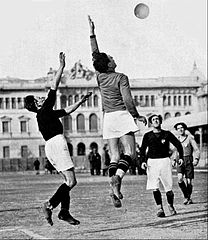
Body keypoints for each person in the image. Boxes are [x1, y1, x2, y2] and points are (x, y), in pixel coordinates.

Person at [24, 52, 92, 226]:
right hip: (57, 143)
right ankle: (50, 205)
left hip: (50, 146)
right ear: (37, 104)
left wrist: (82, 101)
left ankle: (64, 212)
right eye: (39, 98)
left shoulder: (45, 114)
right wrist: (61, 66)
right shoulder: (45, 108)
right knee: (71, 181)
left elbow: (67, 110)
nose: (42, 98)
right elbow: (54, 86)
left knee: (66, 181)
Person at [88, 16, 147, 208]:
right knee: (130, 153)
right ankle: (118, 178)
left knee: (114, 156)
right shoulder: (121, 77)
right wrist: (136, 115)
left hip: (108, 118)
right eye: (112, 58)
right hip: (121, 114)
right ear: (109, 64)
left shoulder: (100, 76)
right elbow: (128, 100)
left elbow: (95, 54)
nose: (114, 58)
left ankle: (113, 186)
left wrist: (92, 33)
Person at [140, 114, 184, 217]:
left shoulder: (167, 134)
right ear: (151, 123)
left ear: (161, 121)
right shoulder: (147, 135)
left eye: (157, 119)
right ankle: (159, 208)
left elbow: (178, 144)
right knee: (155, 187)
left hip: (165, 161)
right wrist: (142, 161)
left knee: (168, 187)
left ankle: (170, 205)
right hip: (152, 162)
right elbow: (143, 150)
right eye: (153, 119)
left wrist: (180, 157)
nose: (156, 121)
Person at [173, 122, 200, 205]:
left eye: (182, 128)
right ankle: (186, 196)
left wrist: (196, 159)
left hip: (188, 160)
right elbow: (175, 151)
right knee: (180, 179)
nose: (180, 129)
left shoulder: (190, 138)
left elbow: (196, 149)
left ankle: (188, 197)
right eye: (178, 128)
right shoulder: (177, 140)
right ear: (177, 130)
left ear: (184, 129)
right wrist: (174, 160)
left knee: (189, 182)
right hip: (180, 161)